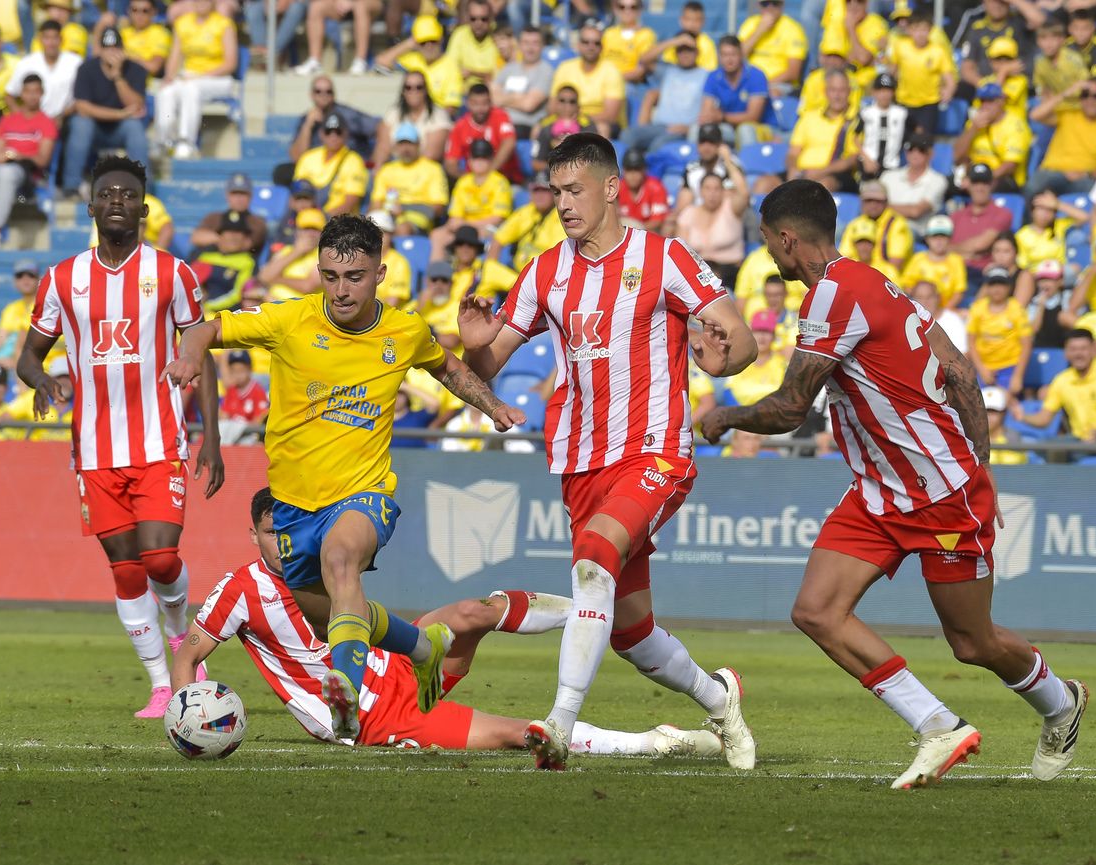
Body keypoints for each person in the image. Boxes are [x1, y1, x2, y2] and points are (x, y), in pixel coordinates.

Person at [701, 178, 1088, 789]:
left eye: (769, 246)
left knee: (973, 642)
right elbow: (959, 371)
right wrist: (981, 466)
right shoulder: (875, 280)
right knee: (817, 611)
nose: (771, 257)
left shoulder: (831, 296)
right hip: (879, 490)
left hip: (937, 494)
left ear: (785, 238)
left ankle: (1062, 704)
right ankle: (937, 725)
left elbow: (790, 408)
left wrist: (721, 417)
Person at [456, 132, 758, 771]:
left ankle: (559, 724)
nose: (563, 204)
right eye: (555, 192)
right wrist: (475, 340)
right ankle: (720, 699)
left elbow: (740, 338)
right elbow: (489, 360)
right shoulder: (545, 270)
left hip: (655, 450)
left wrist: (719, 354)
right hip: (580, 461)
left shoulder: (664, 257)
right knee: (629, 632)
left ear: (612, 189)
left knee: (593, 560)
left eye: (574, 190)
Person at [163, 213, 524, 740]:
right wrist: (191, 355)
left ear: (380, 273)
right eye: (330, 276)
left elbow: (447, 367)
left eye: (353, 276)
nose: (341, 289)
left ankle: (346, 692)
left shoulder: (404, 330)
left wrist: (491, 405)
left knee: (341, 559)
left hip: (364, 493)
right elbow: (207, 328)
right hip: (292, 508)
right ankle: (426, 649)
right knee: (333, 613)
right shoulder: (291, 320)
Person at [171, 487, 722, 758]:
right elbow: (188, 654)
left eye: (285, 529)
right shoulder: (238, 590)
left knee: (471, 613)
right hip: (372, 717)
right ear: (253, 536)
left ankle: (588, 615)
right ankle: (653, 743)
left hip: (391, 663)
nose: (279, 541)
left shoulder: (326, 559)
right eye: (269, 533)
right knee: (521, 735)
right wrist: (184, 713)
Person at [16, 155, 226, 719]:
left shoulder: (174, 273)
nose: (117, 201)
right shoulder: (63, 278)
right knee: (127, 569)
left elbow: (201, 353)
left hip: (160, 441)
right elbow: (27, 358)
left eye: (128, 194)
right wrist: (43, 381)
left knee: (159, 558)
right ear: (90, 207)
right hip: (94, 449)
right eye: (106, 193)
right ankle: (162, 684)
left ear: (144, 207)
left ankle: (184, 642)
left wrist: (213, 436)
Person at [0, 73, 57, 251]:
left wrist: (18, 155)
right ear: (21, 94)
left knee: (7, 174)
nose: (31, 96)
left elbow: (43, 160)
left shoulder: (46, 123)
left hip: (25, 172)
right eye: (28, 91)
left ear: (42, 93)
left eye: (36, 91)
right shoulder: (8, 120)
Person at [64, 27, 149, 199]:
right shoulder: (87, 68)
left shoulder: (135, 69)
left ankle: (143, 187)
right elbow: (82, 107)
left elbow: (136, 105)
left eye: (116, 48)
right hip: (94, 127)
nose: (112, 53)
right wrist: (119, 114)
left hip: (120, 129)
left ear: (123, 50)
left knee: (134, 128)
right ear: (100, 50)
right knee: (81, 123)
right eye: (107, 49)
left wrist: (117, 76)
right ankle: (71, 186)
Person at [1012, 328, 1096, 443]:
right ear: (1066, 352)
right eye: (1073, 349)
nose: (1078, 354)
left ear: (1093, 350)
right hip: (1079, 441)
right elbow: (1044, 419)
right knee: (1045, 447)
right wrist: (1022, 416)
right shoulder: (1062, 380)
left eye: (1083, 349)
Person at [155, 0, 238, 159]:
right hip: (189, 76)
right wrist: (168, 77)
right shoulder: (183, 23)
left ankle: (186, 141)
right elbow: (175, 56)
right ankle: (164, 140)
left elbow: (230, 63)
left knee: (190, 89)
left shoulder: (224, 24)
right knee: (166, 91)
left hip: (218, 78)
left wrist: (201, 75)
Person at [1027, 77, 1096, 198]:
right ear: (1080, 99)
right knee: (1032, 187)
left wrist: (1088, 174)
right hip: (1053, 172)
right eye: (1085, 95)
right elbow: (1035, 115)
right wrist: (1067, 93)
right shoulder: (1068, 115)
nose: (1090, 100)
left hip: (1085, 178)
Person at [623, 36, 709, 153]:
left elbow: (709, 109)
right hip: (659, 126)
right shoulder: (668, 71)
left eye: (689, 50)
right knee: (628, 135)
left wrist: (690, 128)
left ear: (697, 52)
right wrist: (675, 41)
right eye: (680, 50)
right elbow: (644, 60)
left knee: (658, 145)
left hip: (683, 130)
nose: (685, 54)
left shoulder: (706, 75)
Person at [676, 156, 750, 287]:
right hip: (698, 276)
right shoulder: (688, 213)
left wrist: (728, 160)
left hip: (730, 275)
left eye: (716, 189)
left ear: (723, 191)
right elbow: (680, 252)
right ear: (700, 191)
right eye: (708, 188)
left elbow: (744, 192)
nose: (712, 194)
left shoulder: (731, 208)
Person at [430, 138, 512, 255]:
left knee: (476, 235)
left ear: (491, 160)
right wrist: (461, 225)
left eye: (483, 158)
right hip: (464, 226)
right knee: (437, 234)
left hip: (487, 227)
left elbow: (499, 218)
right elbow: (454, 215)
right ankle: (437, 272)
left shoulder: (500, 182)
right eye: (475, 157)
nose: (479, 161)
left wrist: (467, 225)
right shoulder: (463, 182)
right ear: (469, 160)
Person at [369, 123, 449, 236]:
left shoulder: (433, 169)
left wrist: (403, 209)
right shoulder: (387, 169)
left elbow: (438, 208)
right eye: (402, 144)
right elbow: (376, 202)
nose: (405, 149)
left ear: (418, 144)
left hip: (416, 219)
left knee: (402, 229)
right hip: (387, 215)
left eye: (410, 143)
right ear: (396, 146)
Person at [786, 69, 860, 191]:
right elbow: (793, 153)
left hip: (835, 175)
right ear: (826, 92)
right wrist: (792, 169)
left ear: (849, 92)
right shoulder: (809, 117)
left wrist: (820, 172)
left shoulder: (856, 120)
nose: (837, 96)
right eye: (833, 90)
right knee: (766, 183)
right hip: (802, 173)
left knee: (821, 187)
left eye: (842, 90)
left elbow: (852, 159)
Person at [374, 17, 464, 113]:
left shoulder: (451, 66)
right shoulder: (413, 59)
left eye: (433, 41)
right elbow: (381, 61)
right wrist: (409, 43)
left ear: (441, 40)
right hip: (411, 116)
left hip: (437, 118)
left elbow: (451, 108)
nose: (429, 46)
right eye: (423, 42)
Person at [953, 81, 1030, 193]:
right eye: (982, 101)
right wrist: (973, 129)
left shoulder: (1015, 126)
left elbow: (1010, 166)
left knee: (982, 189)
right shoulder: (974, 123)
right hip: (974, 173)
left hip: (1002, 178)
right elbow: (956, 156)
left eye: (990, 101)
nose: (984, 105)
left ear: (1001, 102)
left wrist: (979, 180)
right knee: (947, 185)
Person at [888, 8, 954, 136]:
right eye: (916, 29)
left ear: (930, 30)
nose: (920, 34)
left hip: (929, 103)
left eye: (924, 29)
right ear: (910, 30)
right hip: (904, 101)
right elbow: (892, 72)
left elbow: (949, 78)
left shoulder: (938, 51)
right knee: (902, 139)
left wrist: (948, 91)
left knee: (924, 141)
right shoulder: (901, 46)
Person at [549, 25, 624, 137]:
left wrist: (579, 119)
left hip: (598, 122)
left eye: (596, 43)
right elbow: (552, 107)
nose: (591, 46)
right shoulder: (564, 68)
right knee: (539, 128)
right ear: (578, 45)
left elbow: (610, 115)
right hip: (566, 118)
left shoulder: (612, 71)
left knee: (601, 128)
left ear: (602, 46)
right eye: (586, 42)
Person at [698, 35, 771, 150]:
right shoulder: (713, 76)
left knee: (745, 130)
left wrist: (722, 117)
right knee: (699, 129)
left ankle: (747, 167)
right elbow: (707, 113)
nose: (729, 60)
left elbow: (753, 117)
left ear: (741, 55)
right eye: (724, 55)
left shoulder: (756, 75)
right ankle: (698, 167)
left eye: (733, 54)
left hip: (760, 128)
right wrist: (710, 117)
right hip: (727, 127)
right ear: (719, 56)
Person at [967, 266, 1032, 394]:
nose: (997, 289)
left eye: (1001, 284)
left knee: (1006, 401)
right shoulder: (977, 309)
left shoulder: (1017, 310)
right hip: (983, 366)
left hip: (1010, 367)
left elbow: (1026, 344)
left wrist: (1017, 376)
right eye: (992, 284)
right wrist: (982, 369)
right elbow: (971, 342)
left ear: (1009, 287)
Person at [5, 19, 82, 124]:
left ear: (61, 39)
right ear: (40, 40)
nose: (51, 43)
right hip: (33, 122)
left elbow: (81, 99)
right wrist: (23, 118)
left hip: (65, 120)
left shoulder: (75, 62)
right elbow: (9, 95)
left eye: (55, 38)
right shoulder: (27, 63)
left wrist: (61, 117)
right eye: (47, 38)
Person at [289, 76, 380, 164]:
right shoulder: (306, 119)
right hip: (321, 172)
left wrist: (375, 163)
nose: (323, 95)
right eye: (318, 91)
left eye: (328, 91)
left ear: (333, 95)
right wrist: (307, 126)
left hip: (349, 170)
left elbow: (381, 128)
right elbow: (297, 158)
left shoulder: (347, 115)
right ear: (311, 95)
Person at [293, 113, 370, 217]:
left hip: (339, 222)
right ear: (321, 134)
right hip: (307, 218)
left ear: (346, 134)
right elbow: (296, 195)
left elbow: (350, 202)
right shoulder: (308, 157)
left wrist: (324, 219)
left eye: (338, 132)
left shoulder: (354, 161)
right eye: (328, 131)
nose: (333, 136)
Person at [371, 71, 452, 167]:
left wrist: (409, 174)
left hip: (425, 169)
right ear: (403, 91)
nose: (413, 91)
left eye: (419, 87)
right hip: (394, 165)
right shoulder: (393, 113)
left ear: (426, 90)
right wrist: (380, 169)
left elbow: (432, 155)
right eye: (408, 87)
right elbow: (382, 148)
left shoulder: (438, 115)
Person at [490, 171, 565, 273]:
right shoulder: (526, 212)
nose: (539, 195)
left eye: (544, 190)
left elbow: (555, 259)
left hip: (542, 277)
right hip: (516, 274)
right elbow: (498, 239)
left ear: (554, 193)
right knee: (488, 271)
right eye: (536, 190)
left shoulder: (561, 219)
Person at [443, 83, 518, 182]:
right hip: (473, 181)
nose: (480, 109)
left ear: (490, 102)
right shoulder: (460, 126)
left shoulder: (500, 116)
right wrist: (469, 180)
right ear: (468, 103)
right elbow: (450, 162)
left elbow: (509, 142)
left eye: (484, 103)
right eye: (475, 104)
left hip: (504, 178)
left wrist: (488, 174)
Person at [950, 163, 1012, 284]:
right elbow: (941, 246)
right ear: (968, 184)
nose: (980, 188)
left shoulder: (1003, 214)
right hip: (953, 271)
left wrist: (954, 250)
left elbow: (981, 244)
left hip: (979, 274)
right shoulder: (956, 216)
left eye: (985, 183)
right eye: (975, 182)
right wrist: (967, 254)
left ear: (992, 184)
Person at [838, 180, 913, 276]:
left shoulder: (897, 224)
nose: (873, 205)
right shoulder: (855, 224)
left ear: (886, 202)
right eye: (868, 201)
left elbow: (895, 265)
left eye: (878, 201)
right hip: (857, 275)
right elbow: (844, 258)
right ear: (861, 202)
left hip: (888, 278)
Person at [882, 132, 947, 240]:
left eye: (921, 149)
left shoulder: (938, 180)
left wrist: (883, 206)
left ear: (930, 154)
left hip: (913, 231)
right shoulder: (888, 176)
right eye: (911, 149)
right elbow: (868, 203)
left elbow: (916, 211)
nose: (915, 153)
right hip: (883, 227)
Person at [187, 211, 256, 314]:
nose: (233, 237)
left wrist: (207, 307)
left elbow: (237, 295)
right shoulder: (204, 255)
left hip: (223, 315)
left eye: (239, 232)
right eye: (228, 231)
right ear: (219, 235)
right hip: (194, 310)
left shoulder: (248, 262)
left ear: (245, 238)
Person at [491, 27, 552, 138]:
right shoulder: (509, 68)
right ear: (519, 45)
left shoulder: (545, 71)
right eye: (526, 43)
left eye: (535, 43)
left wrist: (503, 98)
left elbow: (528, 105)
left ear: (542, 46)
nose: (530, 48)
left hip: (523, 126)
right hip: (499, 122)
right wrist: (516, 97)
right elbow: (491, 97)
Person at [190, 172, 268, 259]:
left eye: (243, 194)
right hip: (210, 264)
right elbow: (196, 237)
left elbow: (242, 245)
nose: (238, 198)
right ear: (227, 195)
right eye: (234, 193)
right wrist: (223, 239)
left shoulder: (257, 221)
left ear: (250, 196)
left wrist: (215, 238)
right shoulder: (214, 217)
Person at [736, 0, 806, 98]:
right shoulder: (750, 24)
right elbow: (737, 57)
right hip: (751, 82)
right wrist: (759, 30)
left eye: (775, 3)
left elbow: (793, 73)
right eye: (765, 4)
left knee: (770, 94)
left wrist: (763, 85)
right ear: (759, 6)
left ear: (782, 5)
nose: (770, 8)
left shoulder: (793, 29)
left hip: (779, 84)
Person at [902, 215, 966, 310]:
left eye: (943, 236)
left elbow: (958, 292)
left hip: (945, 311)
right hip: (920, 311)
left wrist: (944, 312)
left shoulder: (956, 261)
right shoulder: (918, 259)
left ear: (949, 239)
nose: (939, 241)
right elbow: (907, 286)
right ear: (927, 239)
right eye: (934, 236)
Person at [259, 207, 324, 299]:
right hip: (274, 304)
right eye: (306, 229)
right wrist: (296, 252)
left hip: (301, 307)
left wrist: (276, 278)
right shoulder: (286, 250)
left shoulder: (323, 255)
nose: (310, 233)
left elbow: (307, 287)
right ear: (297, 231)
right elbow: (263, 276)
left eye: (315, 229)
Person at [858, 73, 909, 178]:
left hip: (892, 166)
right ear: (873, 92)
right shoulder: (866, 113)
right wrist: (866, 159)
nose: (884, 94)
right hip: (869, 166)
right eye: (880, 90)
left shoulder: (902, 113)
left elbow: (915, 133)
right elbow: (854, 137)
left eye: (888, 90)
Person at [445, 0, 501, 88]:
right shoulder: (459, 34)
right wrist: (484, 75)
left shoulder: (498, 35)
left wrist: (471, 72)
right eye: (473, 19)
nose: (478, 23)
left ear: (491, 19)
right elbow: (450, 68)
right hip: (464, 93)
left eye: (484, 19)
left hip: (492, 92)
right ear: (467, 18)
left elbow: (500, 75)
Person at [217, 349, 268, 443]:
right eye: (234, 371)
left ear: (249, 369)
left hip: (249, 434)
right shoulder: (231, 390)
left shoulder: (257, 390)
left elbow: (260, 419)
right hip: (232, 433)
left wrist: (241, 428)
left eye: (241, 370)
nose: (238, 375)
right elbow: (225, 415)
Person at [616, 149, 670, 233]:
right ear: (623, 171)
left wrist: (635, 228)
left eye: (637, 169)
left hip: (649, 233)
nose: (633, 175)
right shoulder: (617, 188)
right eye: (629, 169)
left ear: (644, 170)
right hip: (623, 233)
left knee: (668, 224)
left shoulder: (656, 187)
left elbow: (657, 221)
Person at [602, 0, 656, 84]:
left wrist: (613, 80)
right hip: (604, 81)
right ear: (616, 10)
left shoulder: (646, 34)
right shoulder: (609, 33)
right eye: (622, 7)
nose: (627, 11)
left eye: (633, 7)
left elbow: (641, 69)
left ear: (639, 10)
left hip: (629, 83)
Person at [981, 385, 1027, 465]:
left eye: (993, 411)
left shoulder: (1013, 438)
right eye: (985, 411)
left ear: (1004, 413)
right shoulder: (971, 440)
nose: (988, 416)